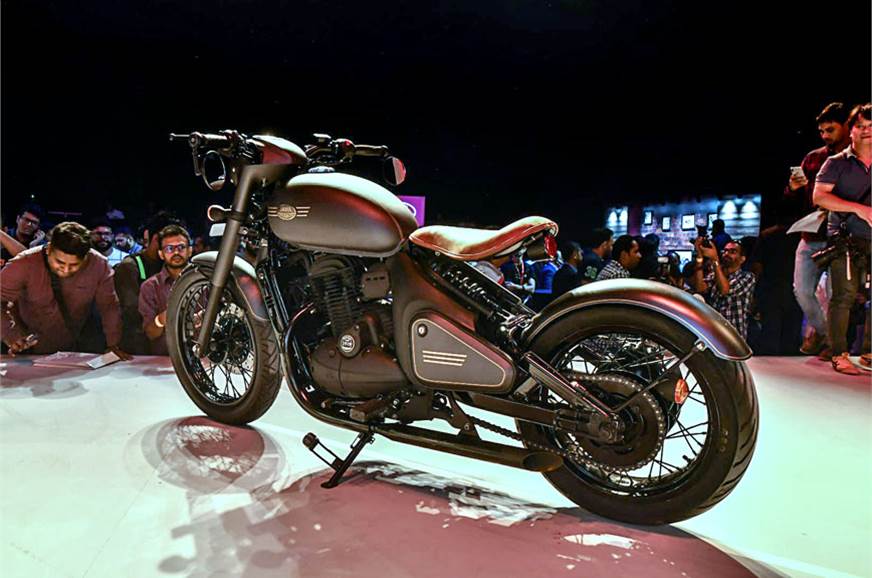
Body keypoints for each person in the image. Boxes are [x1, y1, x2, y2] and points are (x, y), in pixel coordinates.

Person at [0, 222, 131, 358]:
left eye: (74, 265)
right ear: (49, 250)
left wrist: (113, 344)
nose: (66, 270)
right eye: (60, 262)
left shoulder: (99, 265)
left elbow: (109, 307)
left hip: (74, 347)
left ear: (86, 257)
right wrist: (11, 335)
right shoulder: (25, 263)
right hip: (27, 348)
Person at [786, 102, 851, 356]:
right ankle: (825, 334)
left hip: (842, 236)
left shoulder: (856, 159)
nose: (825, 135)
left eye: (830, 130)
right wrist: (793, 188)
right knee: (802, 290)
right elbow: (793, 200)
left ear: (846, 126)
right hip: (811, 232)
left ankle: (833, 345)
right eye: (822, 131)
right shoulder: (813, 158)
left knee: (837, 296)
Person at [812, 103, 872, 374]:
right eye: (860, 126)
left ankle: (869, 352)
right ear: (851, 130)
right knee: (844, 295)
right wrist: (859, 208)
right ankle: (839, 353)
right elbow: (819, 196)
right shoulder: (837, 162)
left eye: (871, 126)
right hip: (845, 238)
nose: (866, 131)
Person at [114, 211, 184, 354]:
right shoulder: (130, 267)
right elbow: (134, 313)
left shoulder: (176, 266)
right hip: (139, 349)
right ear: (155, 239)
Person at [138, 225, 193, 355]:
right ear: (161, 254)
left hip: (205, 359)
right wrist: (162, 319)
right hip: (165, 358)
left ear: (190, 250)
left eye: (181, 247)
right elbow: (150, 333)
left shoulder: (205, 280)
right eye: (169, 248)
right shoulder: (150, 286)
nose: (176, 253)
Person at [691, 239, 757, 340]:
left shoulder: (747, 277)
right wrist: (699, 258)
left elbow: (725, 290)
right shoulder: (715, 274)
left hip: (734, 336)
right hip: (714, 333)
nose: (726, 254)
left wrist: (715, 260)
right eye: (725, 251)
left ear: (742, 259)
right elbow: (700, 288)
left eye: (732, 252)